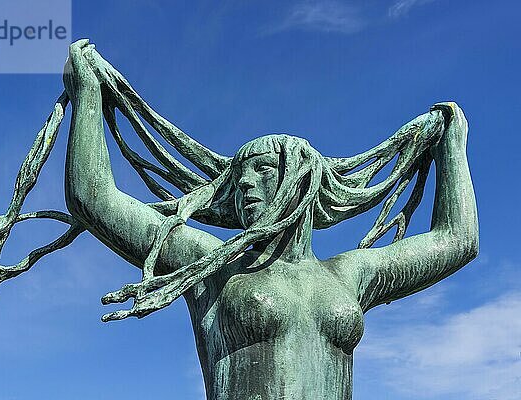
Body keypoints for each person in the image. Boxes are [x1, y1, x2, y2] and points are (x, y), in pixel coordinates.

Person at [63, 39, 478, 400]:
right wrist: (88, 96)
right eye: (239, 174)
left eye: (262, 170)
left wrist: (452, 149)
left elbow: (457, 240)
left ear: (302, 180)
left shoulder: (350, 275)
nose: (245, 183)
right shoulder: (214, 264)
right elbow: (93, 198)